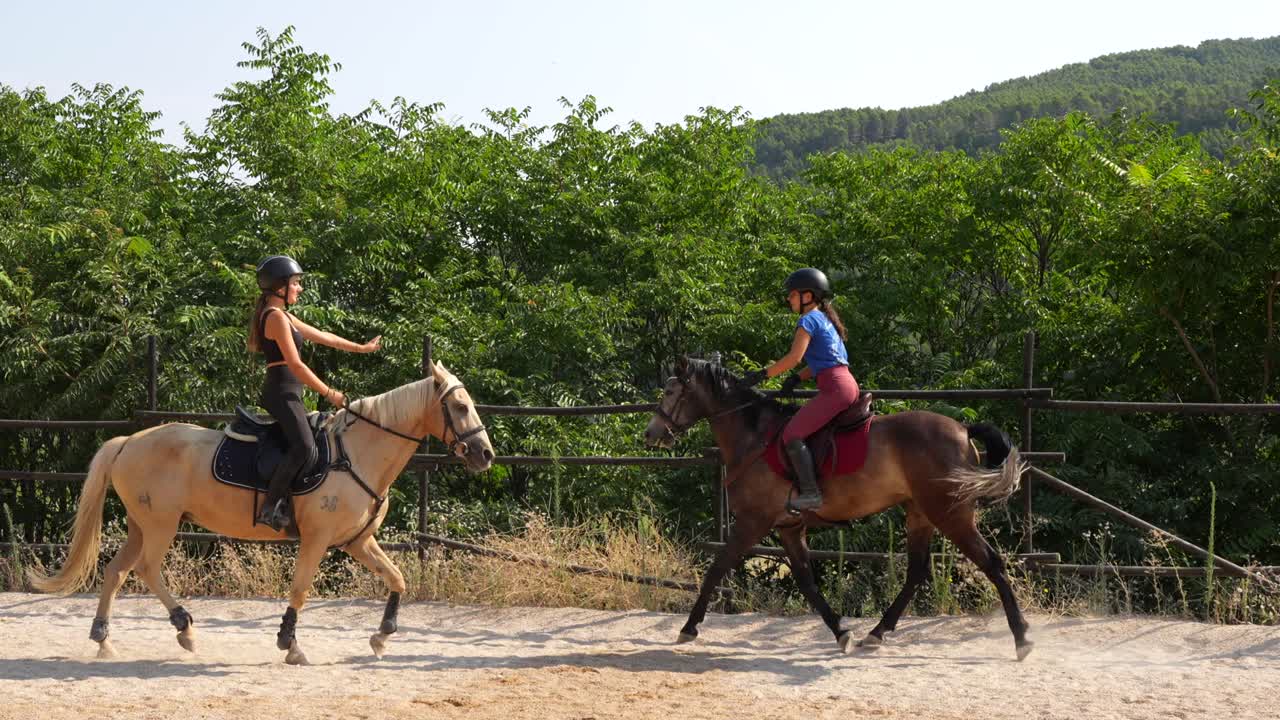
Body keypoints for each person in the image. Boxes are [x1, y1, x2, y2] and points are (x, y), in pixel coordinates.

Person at [247, 255, 382, 531]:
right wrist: (330, 393)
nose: (300, 288)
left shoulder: (283, 315)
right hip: (281, 393)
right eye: (296, 283)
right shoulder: (275, 317)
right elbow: (296, 365)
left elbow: (324, 336)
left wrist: (361, 348)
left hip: (288, 393)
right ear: (280, 287)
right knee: (305, 446)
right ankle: (270, 508)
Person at [742, 268, 856, 510]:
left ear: (808, 296)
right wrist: (796, 379)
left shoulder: (807, 321)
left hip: (835, 389)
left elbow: (794, 357)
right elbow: (824, 362)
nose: (788, 298)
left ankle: (812, 493)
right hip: (845, 384)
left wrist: (762, 375)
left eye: (792, 294)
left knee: (791, 434)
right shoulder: (825, 320)